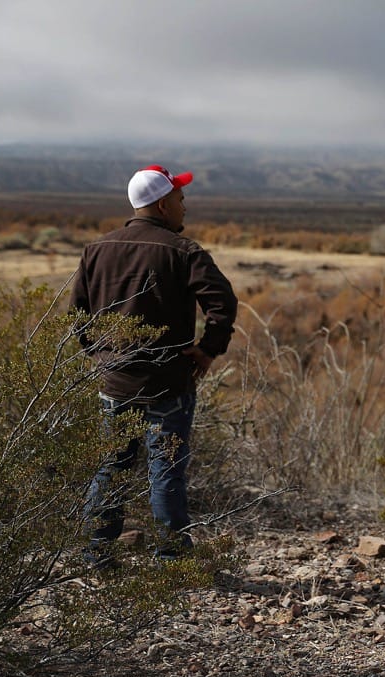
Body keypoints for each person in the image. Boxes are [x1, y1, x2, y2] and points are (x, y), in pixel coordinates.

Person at [71, 164, 238, 565]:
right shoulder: (185, 252)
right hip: (170, 383)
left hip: (115, 383)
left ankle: (97, 554)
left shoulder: (97, 250)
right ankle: (171, 560)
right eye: (180, 199)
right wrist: (208, 350)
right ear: (162, 204)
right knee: (165, 470)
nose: (185, 206)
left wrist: (100, 357)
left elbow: (77, 315)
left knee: (111, 468)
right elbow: (223, 303)